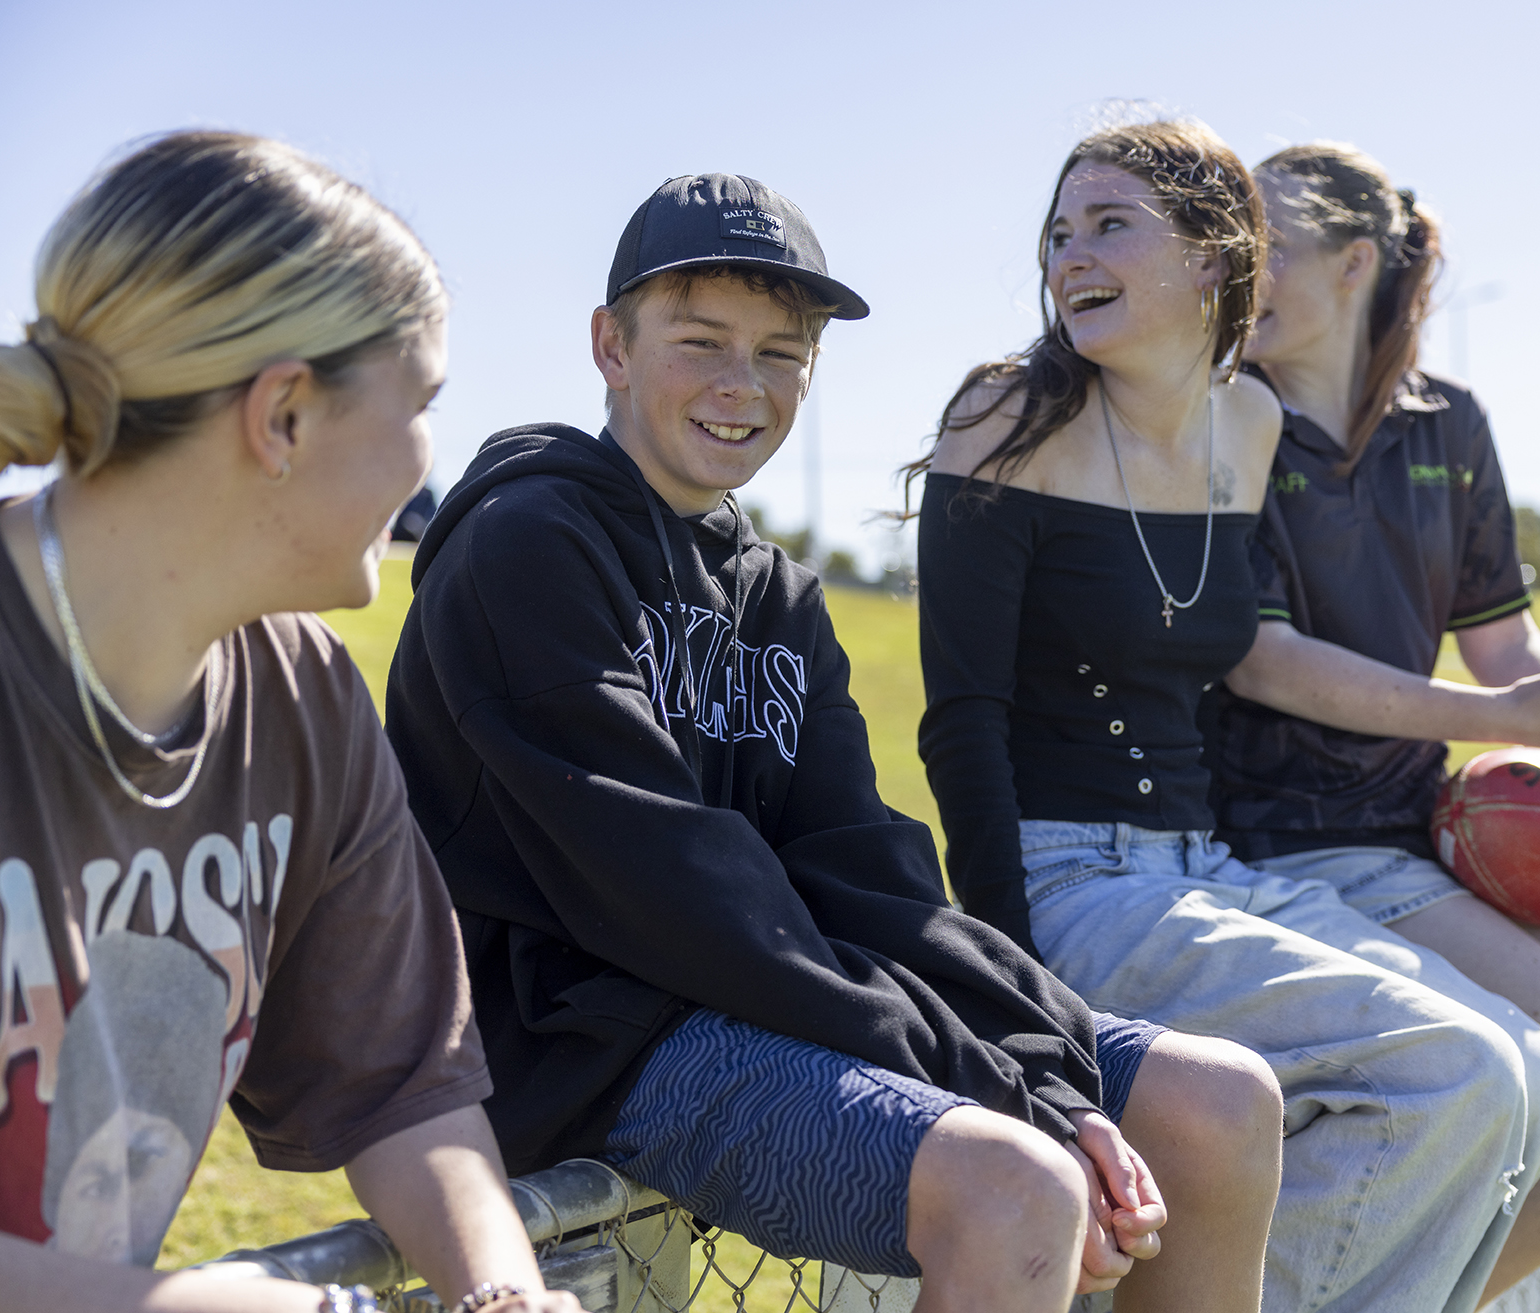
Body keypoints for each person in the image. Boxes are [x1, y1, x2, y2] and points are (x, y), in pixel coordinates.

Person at [383, 172, 1283, 1313]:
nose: (739, 384)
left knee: (1220, 1104)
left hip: (749, 991)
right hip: (583, 1033)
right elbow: (669, 883)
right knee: (1014, 1184)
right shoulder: (526, 544)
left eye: (780, 353)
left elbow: (862, 865)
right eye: (699, 340)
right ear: (610, 344)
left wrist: (1038, 1057)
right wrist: (995, 1088)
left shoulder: (777, 599)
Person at [914, 118, 1540, 1313]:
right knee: (1458, 1071)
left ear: (1213, 258)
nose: (1069, 255)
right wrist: (1017, 993)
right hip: (1068, 885)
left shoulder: (1247, 427)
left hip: (1205, 870)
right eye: (1058, 232)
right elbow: (960, 722)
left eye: (1110, 224)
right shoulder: (1004, 417)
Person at [0, 133, 578, 1313]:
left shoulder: (304, 699)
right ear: (286, 416)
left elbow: (406, 1084)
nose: (428, 461)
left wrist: (500, 1295)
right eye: (423, 403)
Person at [1208, 141, 1540, 1300]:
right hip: (1290, 838)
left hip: (1415, 833)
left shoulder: (1447, 424)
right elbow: (1261, 662)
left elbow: (1508, 647)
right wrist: (1498, 712)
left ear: (1355, 263)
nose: (1238, 271)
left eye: (1269, 246)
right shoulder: (1218, 419)